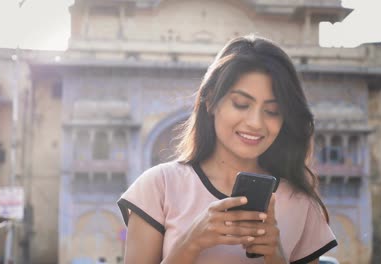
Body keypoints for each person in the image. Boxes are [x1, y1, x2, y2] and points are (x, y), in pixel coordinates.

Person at [117, 35, 337, 264]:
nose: (255, 122)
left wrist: (275, 254)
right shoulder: (160, 187)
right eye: (241, 104)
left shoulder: (300, 204)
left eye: (272, 111)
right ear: (210, 100)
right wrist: (191, 243)